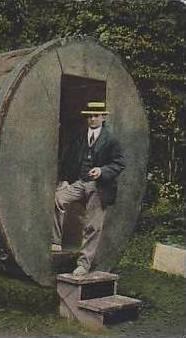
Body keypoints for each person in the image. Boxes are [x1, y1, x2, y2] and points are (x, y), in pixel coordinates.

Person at [52, 101, 125, 276]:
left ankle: (84, 264)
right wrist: (65, 180)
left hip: (99, 187)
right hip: (80, 182)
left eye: (96, 116)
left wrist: (102, 170)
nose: (92, 119)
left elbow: (120, 163)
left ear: (103, 117)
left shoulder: (111, 140)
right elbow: (68, 159)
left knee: (92, 226)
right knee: (58, 198)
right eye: (90, 116)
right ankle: (55, 241)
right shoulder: (80, 136)